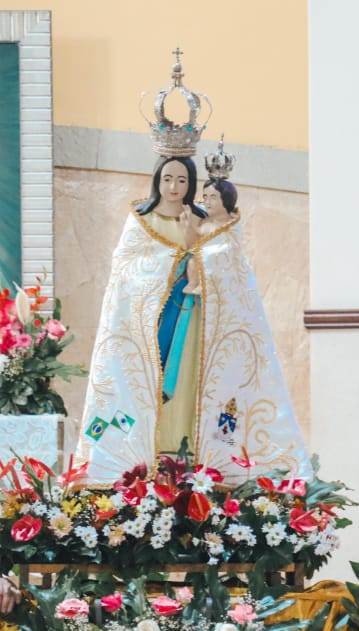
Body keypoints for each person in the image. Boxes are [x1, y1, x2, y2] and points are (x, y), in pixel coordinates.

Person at [74, 137, 310, 487]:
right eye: (167, 178)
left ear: (192, 183)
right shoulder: (140, 221)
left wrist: (196, 252)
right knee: (147, 385)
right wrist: (174, 262)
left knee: (189, 383)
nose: (174, 187)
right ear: (157, 180)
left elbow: (230, 265)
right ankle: (141, 458)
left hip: (196, 322)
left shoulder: (203, 219)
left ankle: (196, 455)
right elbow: (126, 274)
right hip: (151, 326)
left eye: (182, 180)